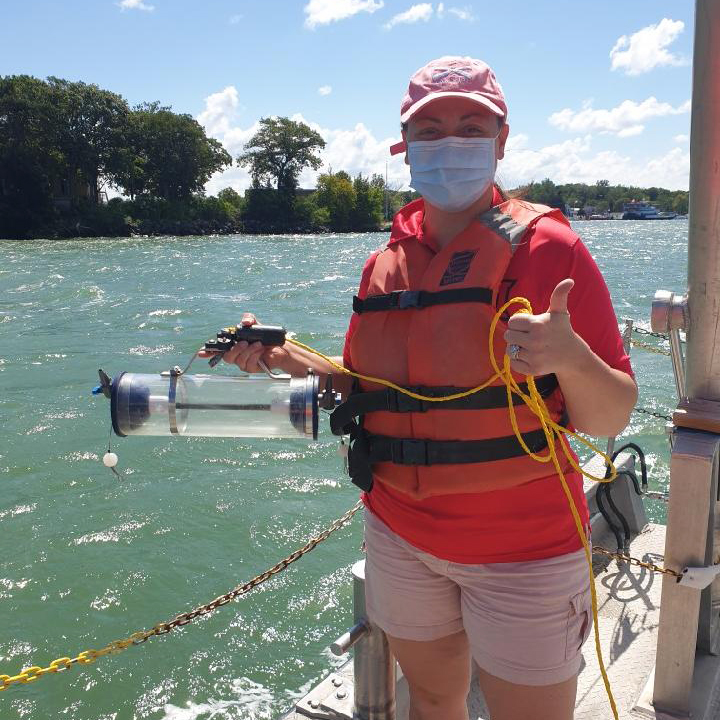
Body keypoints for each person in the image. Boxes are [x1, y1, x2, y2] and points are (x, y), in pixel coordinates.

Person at [219, 57, 637, 720]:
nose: (450, 143)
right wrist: (282, 357)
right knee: (433, 702)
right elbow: (364, 390)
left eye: (471, 126)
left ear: (501, 141)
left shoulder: (553, 250)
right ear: (405, 145)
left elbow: (613, 408)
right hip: (401, 537)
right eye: (430, 129)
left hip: (524, 552)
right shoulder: (384, 262)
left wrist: (573, 358)